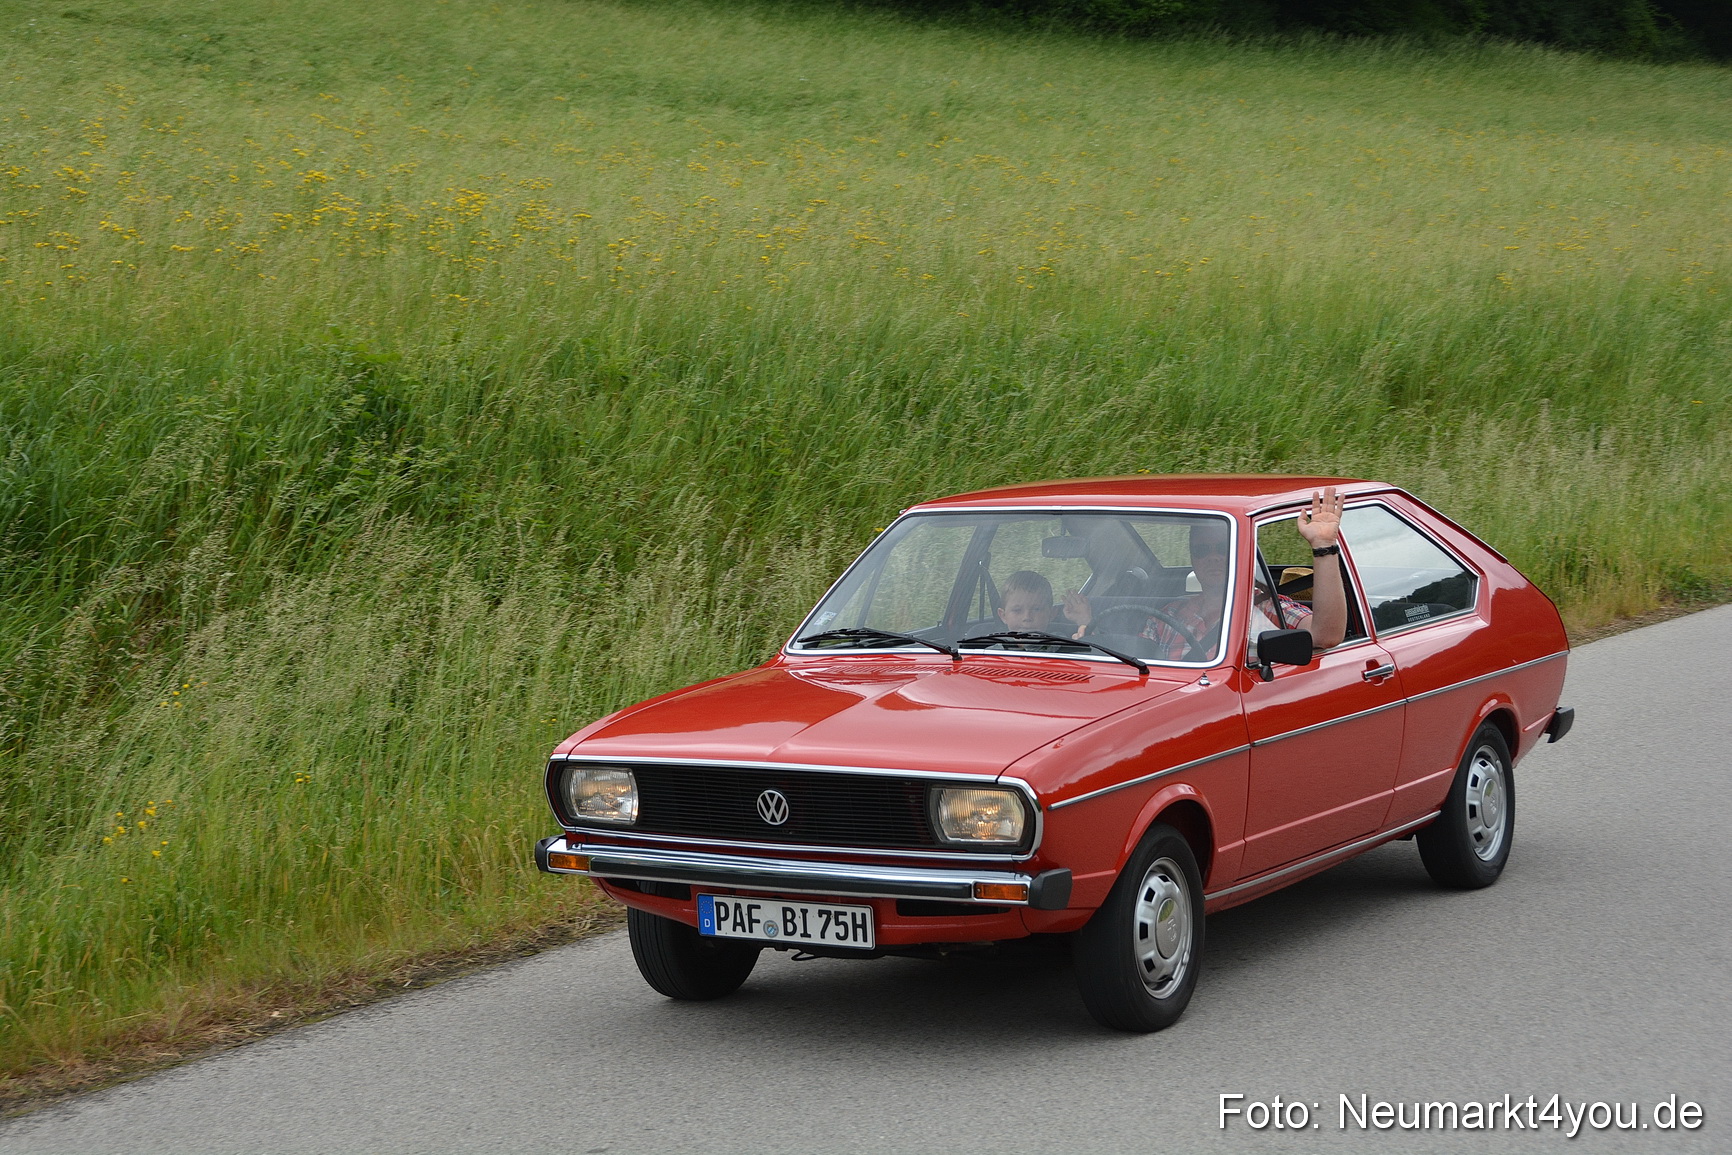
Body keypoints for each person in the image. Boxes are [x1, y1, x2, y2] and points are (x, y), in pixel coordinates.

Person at [1067, 487, 1348, 661]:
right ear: (1193, 558)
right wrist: (1092, 632)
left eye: (1221, 548)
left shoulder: (1267, 609)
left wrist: (1323, 546)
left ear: (1239, 553)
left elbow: (1326, 634)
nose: (1211, 557)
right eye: (1201, 551)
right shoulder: (1169, 614)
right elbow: (1137, 660)